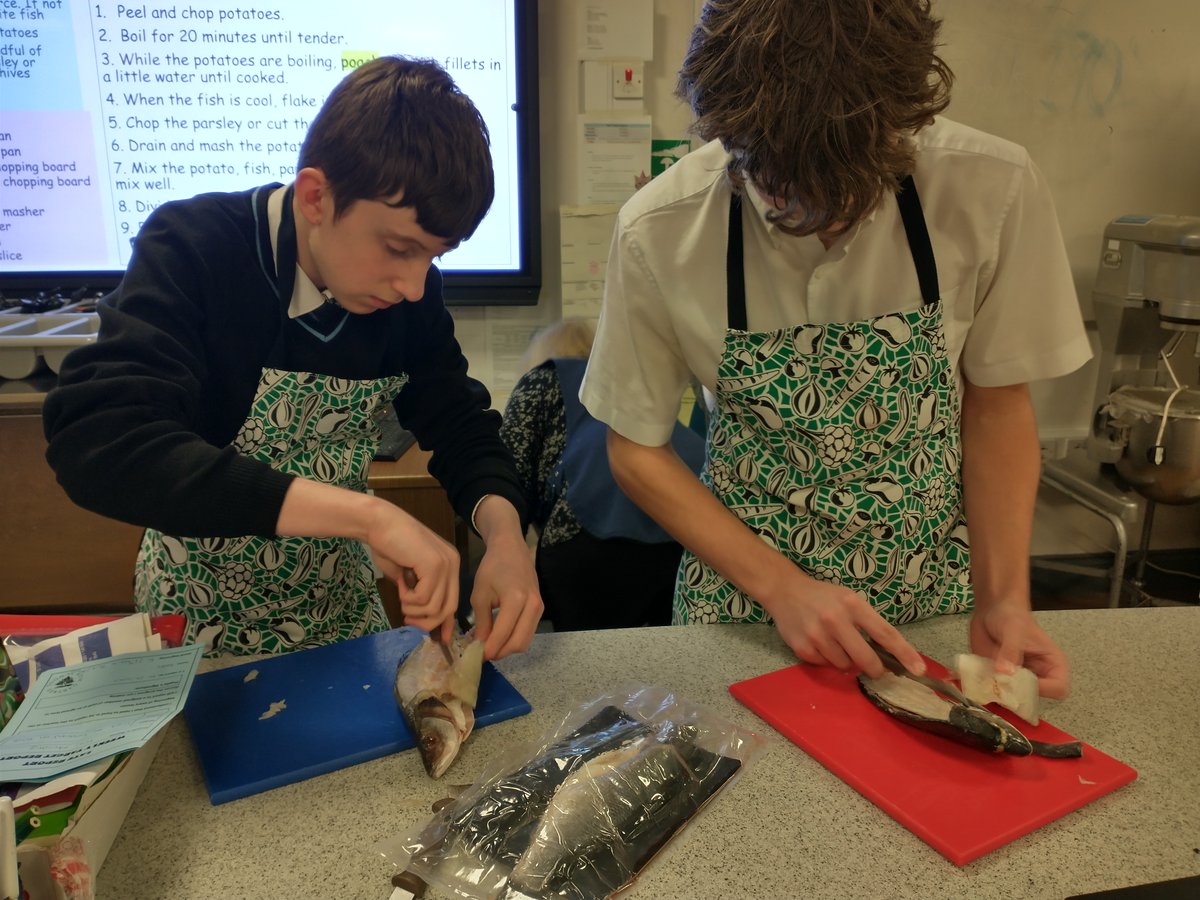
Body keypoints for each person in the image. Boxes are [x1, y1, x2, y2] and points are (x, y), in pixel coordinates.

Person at [579, 0, 1091, 698]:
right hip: (744, 613)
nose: (810, 215)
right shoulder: (658, 230)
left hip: (935, 609)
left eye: (845, 190)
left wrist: (1004, 597)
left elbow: (998, 405)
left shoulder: (990, 189)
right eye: (779, 185)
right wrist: (784, 589)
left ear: (902, 125)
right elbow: (635, 448)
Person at [42, 57, 542, 659]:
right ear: (315, 197)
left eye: (432, 257)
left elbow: (461, 426)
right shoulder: (195, 247)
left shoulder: (410, 298)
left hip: (341, 618)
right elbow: (104, 443)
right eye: (398, 248)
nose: (413, 285)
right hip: (195, 623)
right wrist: (368, 517)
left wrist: (507, 540)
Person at [499, 318, 705, 630]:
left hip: (589, 533)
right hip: (693, 526)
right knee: (665, 656)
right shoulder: (629, 386)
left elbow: (509, 482)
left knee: (586, 664)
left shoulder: (542, 378)